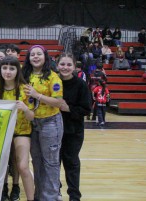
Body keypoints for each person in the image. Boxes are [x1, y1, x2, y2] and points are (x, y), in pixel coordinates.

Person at [22, 45, 64, 201]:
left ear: (45, 57)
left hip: (50, 123)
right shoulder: (24, 74)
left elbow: (58, 102)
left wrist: (37, 95)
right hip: (32, 123)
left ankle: (52, 197)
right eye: (32, 54)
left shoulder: (53, 77)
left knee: (51, 163)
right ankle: (40, 196)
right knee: (37, 161)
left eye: (39, 54)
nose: (35, 56)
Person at [0, 57, 34, 201]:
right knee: (1, 163)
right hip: (1, 131)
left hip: (21, 131)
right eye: (4, 68)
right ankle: (3, 189)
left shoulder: (26, 89)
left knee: (22, 165)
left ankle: (26, 194)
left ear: (18, 70)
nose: (8, 72)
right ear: (0, 70)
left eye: (12, 68)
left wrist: (26, 109)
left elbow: (32, 117)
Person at [57, 53, 91, 201]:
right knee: (53, 163)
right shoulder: (53, 81)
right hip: (53, 130)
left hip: (73, 131)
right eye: (62, 64)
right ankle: (55, 191)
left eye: (68, 65)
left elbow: (86, 109)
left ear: (74, 66)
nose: (65, 67)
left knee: (71, 163)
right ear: (57, 65)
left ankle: (74, 195)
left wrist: (68, 109)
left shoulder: (81, 85)